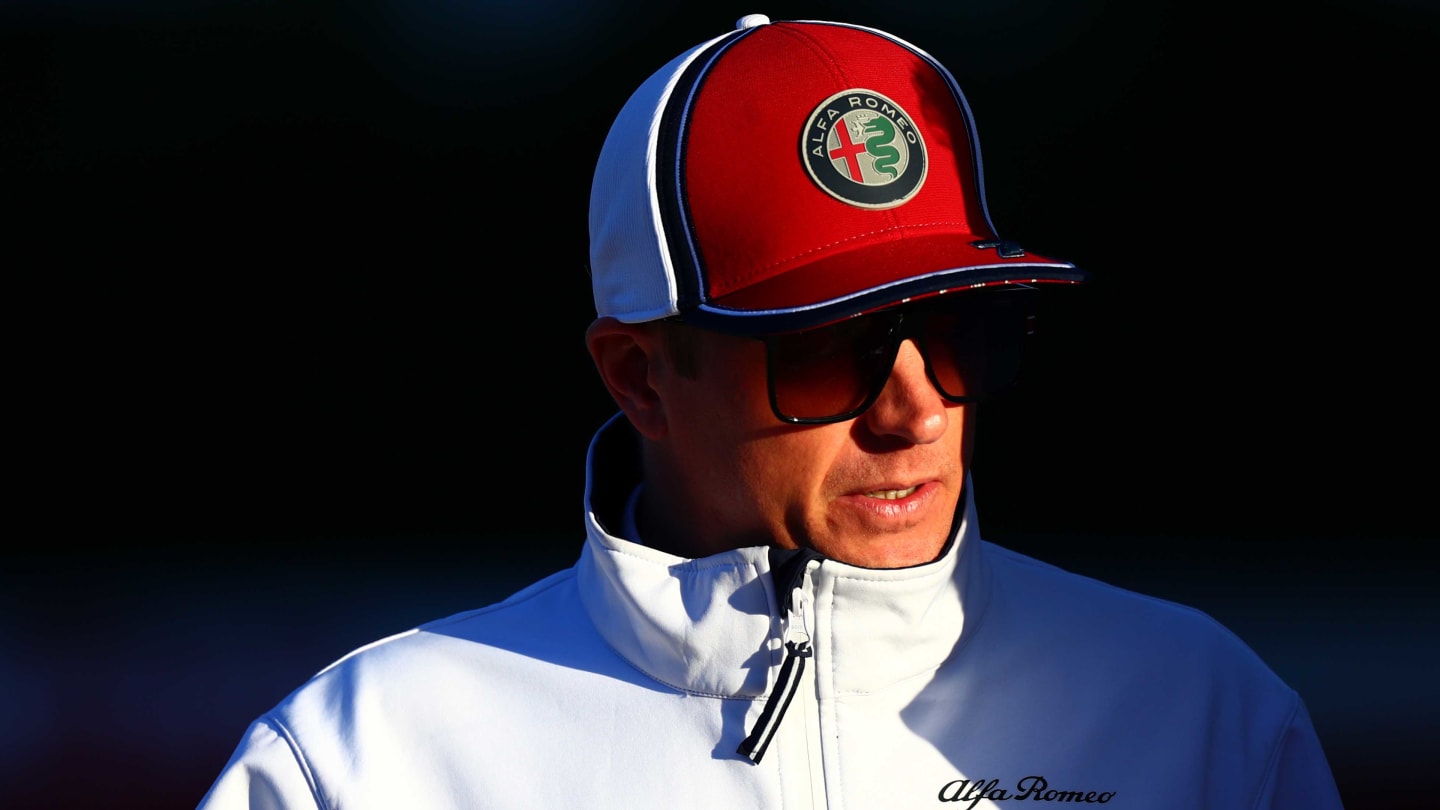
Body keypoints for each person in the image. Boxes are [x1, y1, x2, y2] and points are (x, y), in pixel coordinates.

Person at [198, 13, 1343, 809]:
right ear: (638, 377)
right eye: (828, 348)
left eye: (958, 333)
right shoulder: (366, 762)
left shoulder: (1205, 714)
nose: (915, 408)